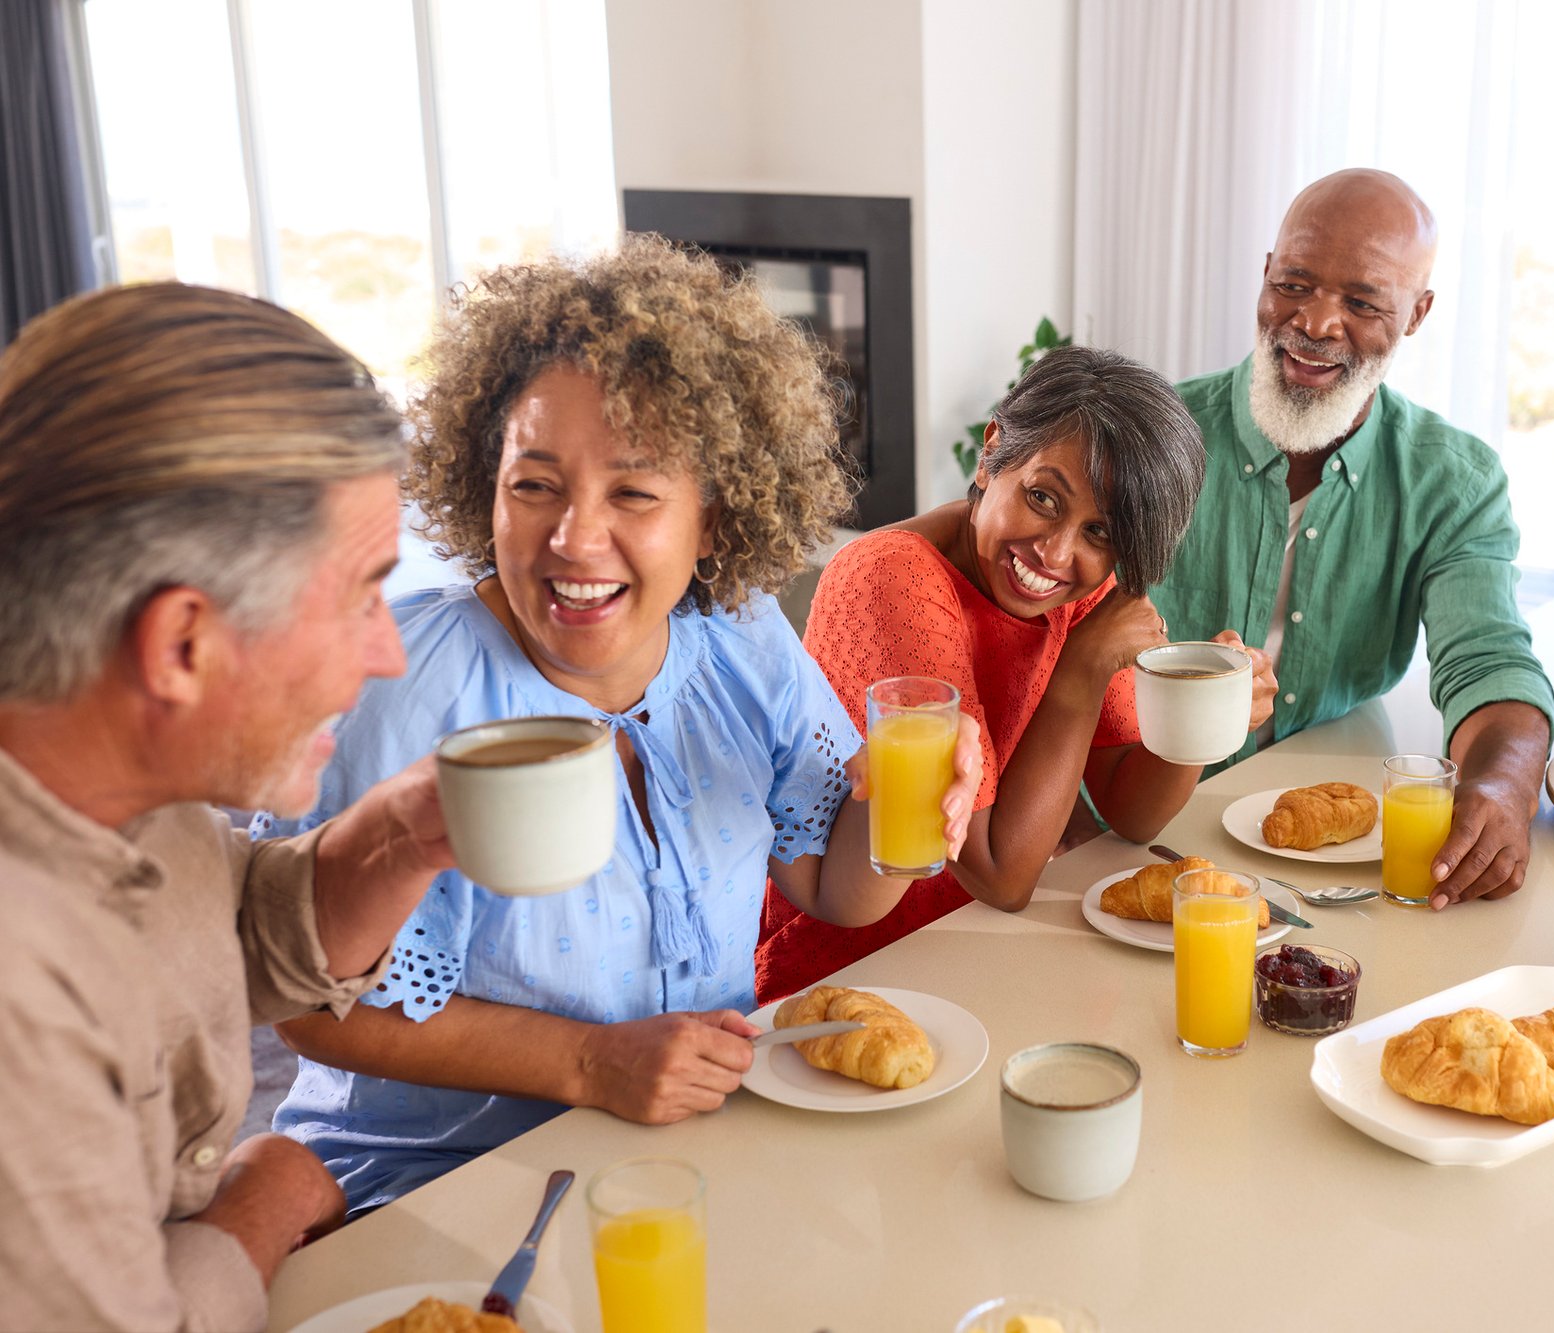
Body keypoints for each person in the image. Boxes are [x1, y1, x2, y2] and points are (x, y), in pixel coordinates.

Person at [264, 237, 980, 1213]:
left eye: (633, 492)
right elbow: (311, 1006)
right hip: (427, 1191)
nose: (572, 536)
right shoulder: (410, 684)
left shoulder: (740, 640)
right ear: (488, 483)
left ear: (713, 519)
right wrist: (590, 1062)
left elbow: (832, 888)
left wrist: (910, 822)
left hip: (681, 1150)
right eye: (533, 483)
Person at [0, 284, 459, 1330]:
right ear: (182, 647)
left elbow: (227, 927)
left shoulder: (123, 783)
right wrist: (266, 1199)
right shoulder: (17, 994)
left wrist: (402, 832)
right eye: (359, 595)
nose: (385, 650)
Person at [758, 345, 1276, 1000]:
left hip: (990, 954)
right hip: (857, 971)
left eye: (1100, 532)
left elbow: (1130, 808)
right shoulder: (893, 576)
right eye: (1042, 497)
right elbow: (998, 873)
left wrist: (1208, 711)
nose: (1055, 553)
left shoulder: (1075, 586)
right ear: (992, 449)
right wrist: (1082, 669)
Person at [1152, 168, 1554, 910]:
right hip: (1138, 828)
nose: (1316, 323)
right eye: (1296, 284)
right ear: (1266, 273)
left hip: (1325, 856)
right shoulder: (1154, 438)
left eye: (1363, 301)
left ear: (1417, 313)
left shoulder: (1453, 479)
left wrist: (1502, 787)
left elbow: (1490, 661)